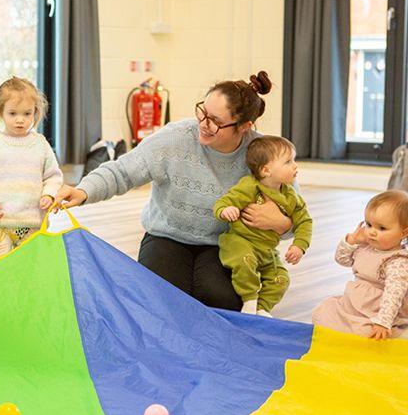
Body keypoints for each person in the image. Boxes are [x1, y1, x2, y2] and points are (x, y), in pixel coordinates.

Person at [55, 71, 292, 310]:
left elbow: (296, 213)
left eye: (215, 121)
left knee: (223, 301)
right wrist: (84, 190)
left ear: (244, 126)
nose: (204, 124)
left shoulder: (265, 154)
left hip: (225, 243)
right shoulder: (176, 138)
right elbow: (123, 171)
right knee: (157, 299)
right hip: (167, 237)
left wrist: (282, 224)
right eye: (202, 112)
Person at [214, 135, 313, 316]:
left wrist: (300, 245)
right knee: (244, 261)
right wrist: (225, 210)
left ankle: (262, 308)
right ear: (266, 170)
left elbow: (305, 221)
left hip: (267, 250)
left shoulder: (291, 197)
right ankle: (250, 300)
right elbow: (224, 202)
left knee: (281, 279)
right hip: (240, 242)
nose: (295, 165)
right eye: (288, 161)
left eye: (294, 160)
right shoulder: (250, 186)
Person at [0, 77, 63, 260]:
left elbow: (53, 176)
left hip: (32, 223)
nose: (20, 120)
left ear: (35, 113)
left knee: (28, 267)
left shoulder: (40, 144)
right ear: (0, 112)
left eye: (27, 114)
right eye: (12, 113)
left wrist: (49, 194)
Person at [312, 190, 408, 339]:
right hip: (353, 305)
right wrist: (351, 240)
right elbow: (342, 259)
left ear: (404, 233)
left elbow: (393, 296)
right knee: (322, 311)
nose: (372, 232)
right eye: (369, 225)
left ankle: (399, 333)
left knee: (366, 333)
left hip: (377, 312)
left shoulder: (397, 261)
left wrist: (383, 322)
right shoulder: (365, 247)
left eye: (381, 228)